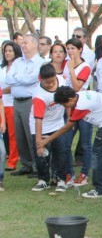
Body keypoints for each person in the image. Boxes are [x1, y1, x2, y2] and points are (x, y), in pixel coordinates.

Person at [38, 86, 102, 198]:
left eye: (65, 105)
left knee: (96, 155)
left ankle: (100, 189)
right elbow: (71, 119)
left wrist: (47, 140)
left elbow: (67, 127)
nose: (65, 107)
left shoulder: (82, 105)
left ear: (70, 99)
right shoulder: (78, 96)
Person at [4, 34, 44, 176]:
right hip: (16, 102)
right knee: (19, 134)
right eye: (22, 43)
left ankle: (37, 164)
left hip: (30, 102)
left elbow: (31, 79)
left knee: (30, 134)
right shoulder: (18, 62)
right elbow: (8, 78)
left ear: (35, 44)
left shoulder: (40, 62)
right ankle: (27, 164)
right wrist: (20, 79)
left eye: (26, 43)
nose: (23, 45)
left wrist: (17, 78)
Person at [29, 64, 73, 192]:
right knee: (41, 155)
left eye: (53, 81)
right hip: (40, 125)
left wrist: (69, 118)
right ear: (39, 78)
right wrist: (39, 144)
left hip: (58, 123)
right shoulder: (38, 96)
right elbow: (38, 120)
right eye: (47, 82)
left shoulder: (62, 81)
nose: (50, 84)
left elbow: (68, 100)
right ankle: (43, 180)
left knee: (61, 151)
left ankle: (61, 179)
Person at [63, 37, 93, 186]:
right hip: (70, 108)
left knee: (86, 144)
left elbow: (76, 87)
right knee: (67, 143)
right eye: (68, 49)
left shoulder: (85, 66)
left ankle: (84, 173)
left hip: (84, 108)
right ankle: (69, 173)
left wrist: (71, 70)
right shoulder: (66, 65)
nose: (70, 52)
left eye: (73, 48)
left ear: (80, 49)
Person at [1, 42, 21, 171]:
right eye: (5, 51)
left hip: (12, 103)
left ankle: (12, 161)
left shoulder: (19, 67)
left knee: (13, 134)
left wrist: (2, 91)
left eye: (10, 51)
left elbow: (16, 85)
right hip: (1, 104)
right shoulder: (2, 67)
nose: (7, 53)